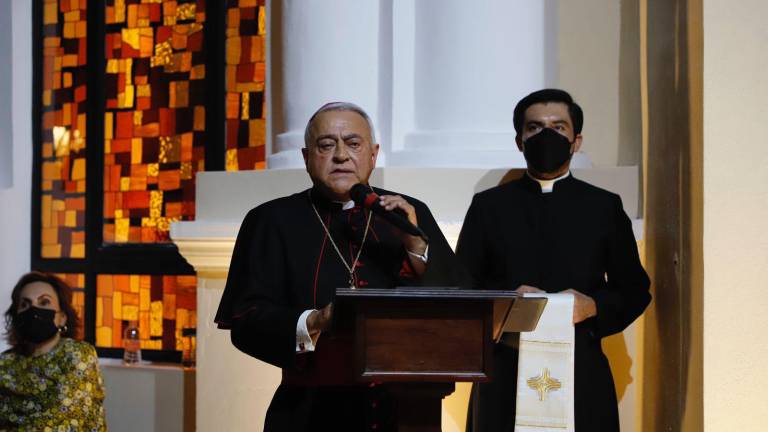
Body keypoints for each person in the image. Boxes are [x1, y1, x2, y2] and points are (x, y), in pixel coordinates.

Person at [215, 102, 465, 431]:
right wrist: (314, 321)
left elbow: (456, 307)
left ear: (373, 155)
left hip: (405, 412)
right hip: (308, 412)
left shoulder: (408, 213)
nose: (341, 155)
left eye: (353, 143)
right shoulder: (270, 220)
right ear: (306, 158)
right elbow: (245, 320)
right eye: (327, 144)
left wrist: (417, 247)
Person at [457, 89, 651, 431]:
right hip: (506, 367)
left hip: (581, 367)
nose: (546, 136)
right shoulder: (488, 207)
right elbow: (462, 287)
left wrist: (592, 305)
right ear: (519, 141)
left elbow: (635, 289)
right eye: (534, 128)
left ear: (576, 141)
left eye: (558, 127)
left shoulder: (604, 207)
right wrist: (505, 302)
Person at [0, 271, 107, 431]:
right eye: (25, 304)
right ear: (16, 317)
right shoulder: (6, 362)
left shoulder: (78, 355)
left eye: (44, 302)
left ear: (62, 317)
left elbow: (60, 421)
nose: (33, 310)